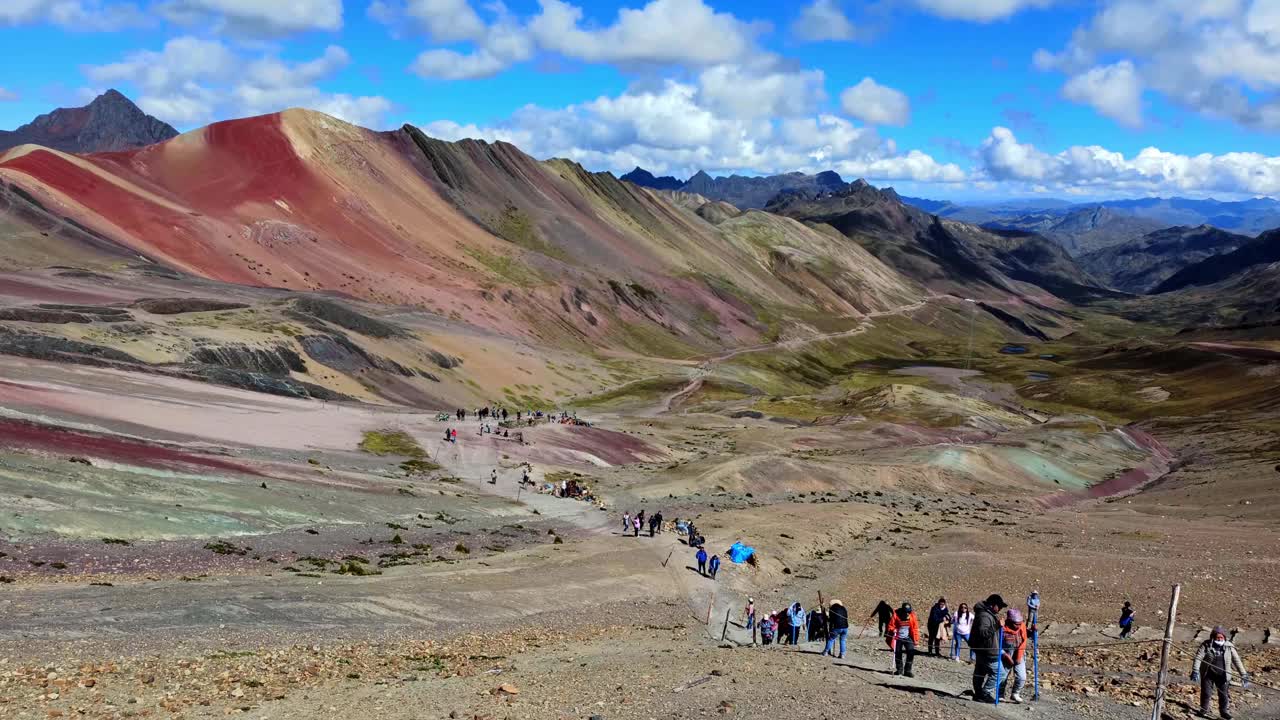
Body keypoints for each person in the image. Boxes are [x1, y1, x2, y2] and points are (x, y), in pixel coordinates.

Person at [1191, 626, 1249, 720]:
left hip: (1223, 675)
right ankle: (1203, 710)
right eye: (1217, 637)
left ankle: (1224, 712)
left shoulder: (1229, 646)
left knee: (1223, 694)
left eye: (1221, 637)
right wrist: (1195, 670)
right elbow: (1198, 657)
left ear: (1224, 637)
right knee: (1206, 693)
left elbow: (1237, 661)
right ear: (1213, 637)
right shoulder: (1206, 645)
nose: (1219, 639)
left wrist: (1244, 674)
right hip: (1208, 674)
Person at [971, 594, 1008, 703]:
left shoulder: (986, 614)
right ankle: (984, 693)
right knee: (1000, 673)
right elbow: (983, 633)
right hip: (987, 650)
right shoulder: (985, 616)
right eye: (999, 606)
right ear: (993, 605)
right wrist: (997, 625)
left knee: (980, 671)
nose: (1000, 608)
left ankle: (978, 694)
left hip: (983, 649)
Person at [1000, 608, 1029, 703]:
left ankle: (1015, 693)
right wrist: (1005, 655)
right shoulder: (1002, 629)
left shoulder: (1022, 627)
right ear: (1009, 621)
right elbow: (996, 645)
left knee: (1022, 677)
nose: (1018, 625)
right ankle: (1000, 694)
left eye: (1020, 623)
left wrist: (1032, 632)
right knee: (1003, 676)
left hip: (1019, 655)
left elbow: (1025, 638)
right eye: (1016, 623)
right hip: (1006, 655)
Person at [886, 602, 919, 677]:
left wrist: (916, 640)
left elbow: (915, 628)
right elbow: (890, 625)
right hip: (898, 637)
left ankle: (907, 671)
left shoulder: (912, 616)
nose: (907, 613)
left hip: (908, 637)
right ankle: (899, 670)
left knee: (911, 652)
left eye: (909, 612)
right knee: (898, 653)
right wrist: (893, 629)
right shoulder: (896, 615)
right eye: (906, 612)